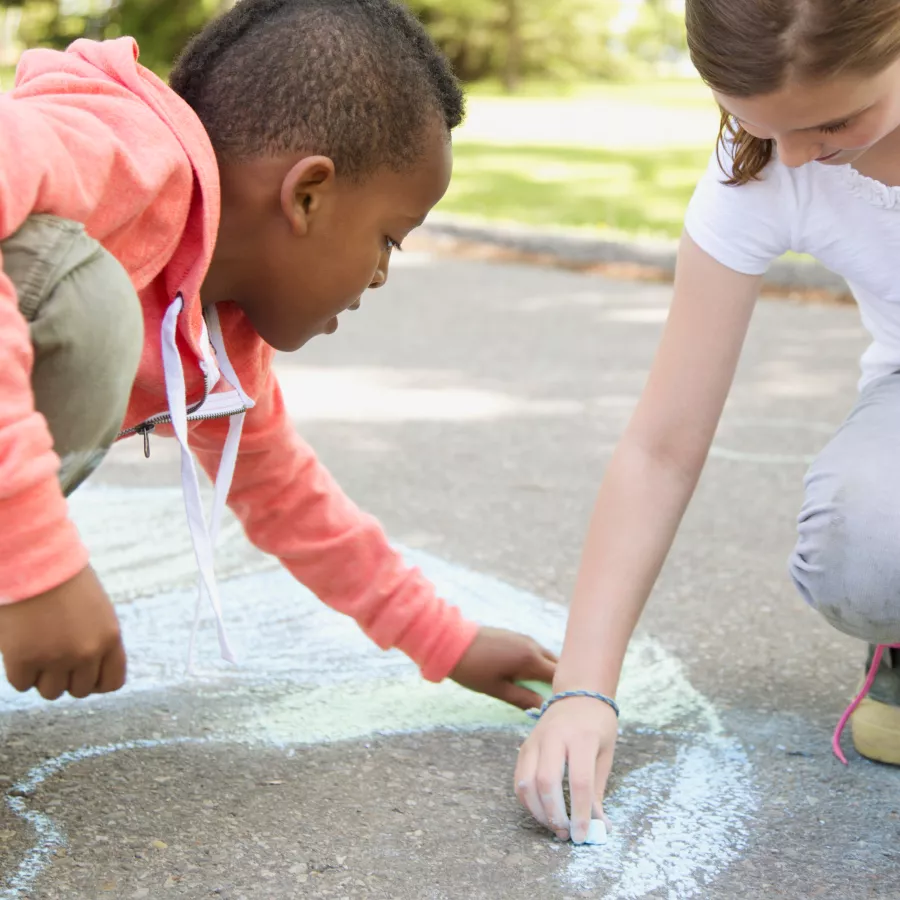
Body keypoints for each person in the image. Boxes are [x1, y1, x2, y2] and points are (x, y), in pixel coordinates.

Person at [0, 0, 556, 711]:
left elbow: (284, 492)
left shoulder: (218, 333)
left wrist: (445, 639)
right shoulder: (116, 150)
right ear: (309, 195)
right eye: (389, 238)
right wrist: (38, 564)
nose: (382, 274)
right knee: (90, 310)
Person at [515, 0, 900, 845]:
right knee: (868, 545)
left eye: (838, 119)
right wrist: (582, 688)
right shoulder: (767, 170)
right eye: (758, 121)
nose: (800, 155)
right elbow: (661, 447)